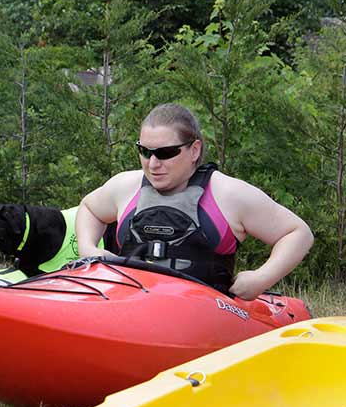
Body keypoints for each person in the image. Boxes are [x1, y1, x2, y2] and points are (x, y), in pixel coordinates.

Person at [75, 103, 313, 300]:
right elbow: (89, 208)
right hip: (128, 304)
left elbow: (298, 233)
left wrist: (261, 278)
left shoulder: (228, 194)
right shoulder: (125, 186)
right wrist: (88, 248)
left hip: (204, 315)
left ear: (195, 150)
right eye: (145, 151)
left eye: (165, 153)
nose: (153, 163)